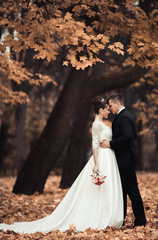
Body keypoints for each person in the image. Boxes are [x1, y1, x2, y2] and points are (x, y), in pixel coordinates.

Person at [0, 96, 123, 234]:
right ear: (100, 110)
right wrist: (96, 164)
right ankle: (101, 215)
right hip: (102, 158)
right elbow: (94, 145)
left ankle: (108, 213)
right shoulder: (96, 125)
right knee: (100, 188)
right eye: (106, 109)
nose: (108, 112)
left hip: (109, 157)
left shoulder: (103, 124)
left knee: (107, 186)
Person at [100, 93, 146, 227]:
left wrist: (111, 143)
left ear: (117, 104)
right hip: (125, 159)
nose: (109, 108)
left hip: (126, 160)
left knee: (132, 190)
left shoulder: (124, 117)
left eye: (110, 105)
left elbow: (127, 137)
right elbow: (134, 136)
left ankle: (141, 221)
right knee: (123, 191)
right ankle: (122, 219)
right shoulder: (126, 115)